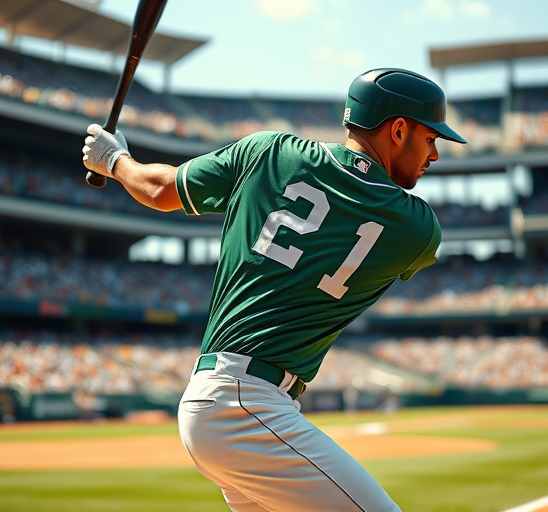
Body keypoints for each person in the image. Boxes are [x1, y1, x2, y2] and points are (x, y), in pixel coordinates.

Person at [82, 68, 465, 512]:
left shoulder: (269, 150)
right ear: (398, 129)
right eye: (430, 138)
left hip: (219, 397)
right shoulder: (418, 229)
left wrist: (114, 161)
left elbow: (162, 189)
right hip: (247, 406)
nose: (434, 154)